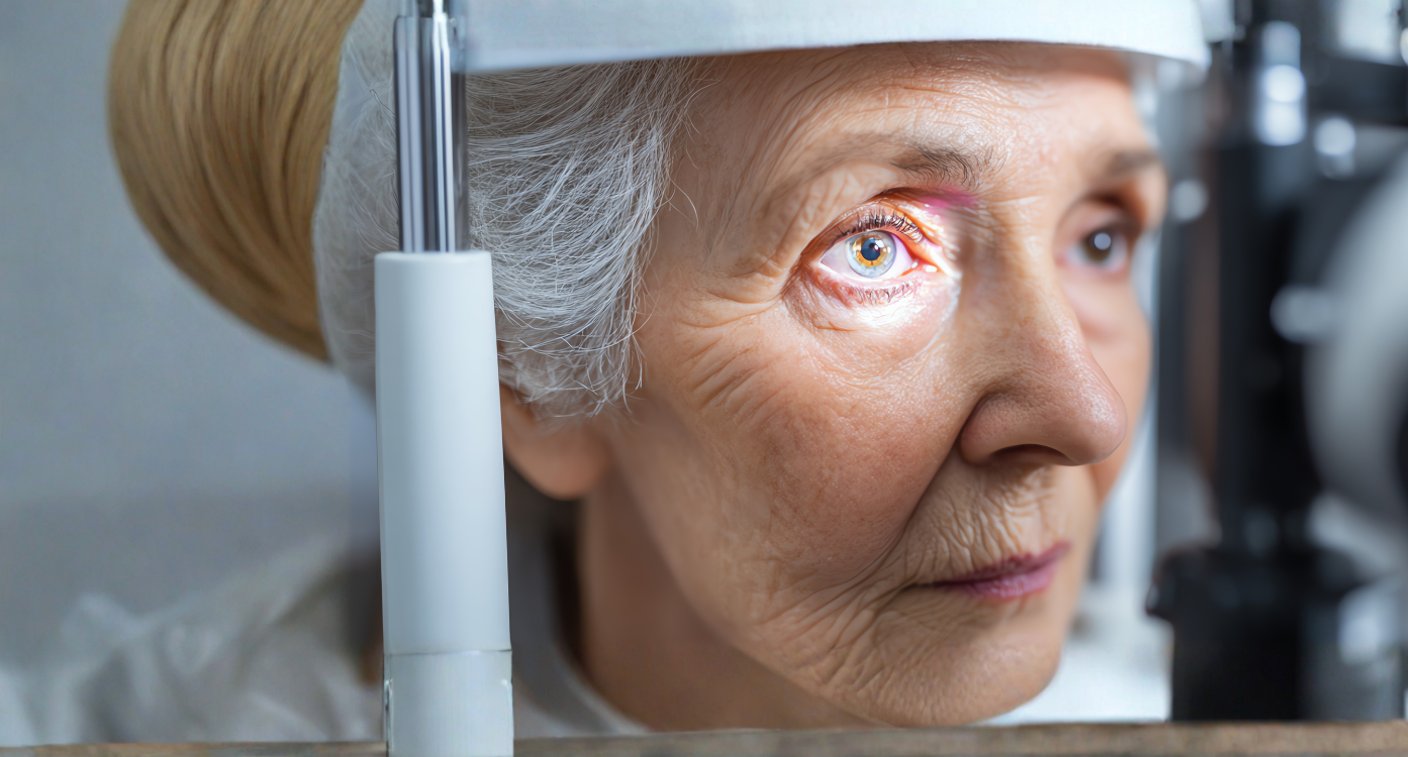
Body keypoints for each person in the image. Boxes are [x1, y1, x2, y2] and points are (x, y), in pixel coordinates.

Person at [6, 0, 1200, 742]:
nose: (1084, 413)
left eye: (1100, 235)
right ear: (521, 372)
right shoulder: (181, 729)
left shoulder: (1247, 712)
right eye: (875, 247)